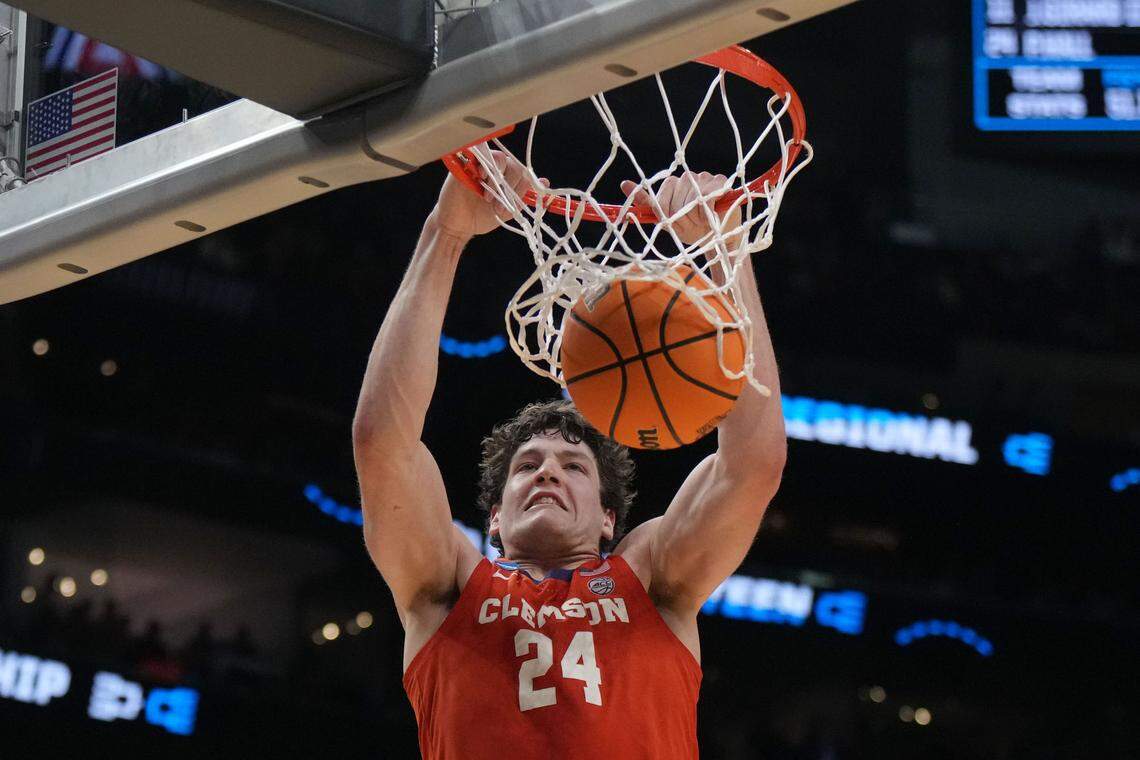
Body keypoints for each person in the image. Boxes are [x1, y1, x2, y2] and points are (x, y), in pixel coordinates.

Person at [352, 156, 786, 758]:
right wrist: (444, 234)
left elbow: (752, 466)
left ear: (610, 519)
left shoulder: (652, 576)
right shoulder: (446, 587)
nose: (549, 469)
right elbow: (383, 444)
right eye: (526, 466)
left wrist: (727, 250)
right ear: (495, 519)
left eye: (574, 466)